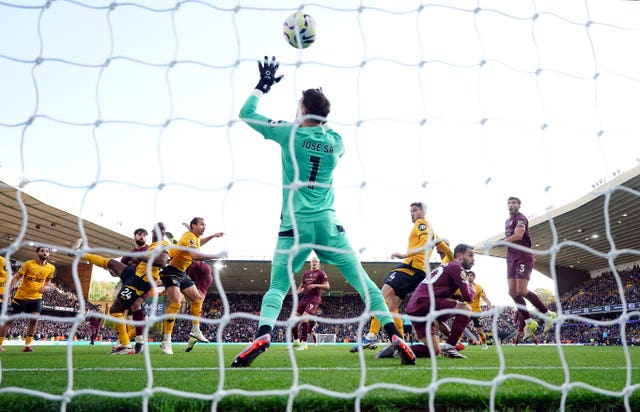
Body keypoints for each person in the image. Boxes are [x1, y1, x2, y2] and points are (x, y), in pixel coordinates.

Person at [231, 56, 416, 367]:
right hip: (329, 226)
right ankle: (394, 336)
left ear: (302, 110)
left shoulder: (289, 132)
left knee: (277, 286)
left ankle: (263, 335)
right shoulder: (335, 140)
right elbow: (325, 128)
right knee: (366, 286)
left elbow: (246, 113)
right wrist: (317, 108)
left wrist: (262, 86)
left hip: (295, 226)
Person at [351, 202, 453, 352]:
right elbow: (448, 251)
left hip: (411, 267)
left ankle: (372, 335)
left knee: (381, 295)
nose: (411, 213)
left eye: (415, 210)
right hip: (419, 272)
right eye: (410, 211)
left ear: (423, 213)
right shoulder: (435, 234)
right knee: (392, 306)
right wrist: (449, 262)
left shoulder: (422, 223)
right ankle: (400, 342)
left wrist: (406, 254)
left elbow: (424, 242)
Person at [73, 223, 169, 354]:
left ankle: (127, 344)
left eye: (161, 229)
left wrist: (142, 257)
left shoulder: (162, 244)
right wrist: (112, 270)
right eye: (156, 229)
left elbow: (162, 262)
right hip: (133, 277)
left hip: (140, 282)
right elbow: (116, 269)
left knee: (119, 309)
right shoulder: (135, 252)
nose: (157, 232)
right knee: (111, 262)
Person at [161, 217, 224, 355]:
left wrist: (213, 236)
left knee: (197, 299)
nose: (204, 227)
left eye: (205, 225)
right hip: (171, 272)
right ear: (193, 226)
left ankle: (195, 330)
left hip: (181, 273)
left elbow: (200, 242)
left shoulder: (194, 238)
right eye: (202, 224)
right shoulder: (189, 236)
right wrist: (216, 255)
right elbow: (195, 256)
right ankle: (166, 340)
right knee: (176, 303)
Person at [404, 244, 476, 359]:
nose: (473, 259)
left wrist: (457, 297)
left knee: (434, 350)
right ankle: (450, 346)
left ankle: (396, 348)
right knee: (466, 309)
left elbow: (439, 290)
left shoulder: (447, 266)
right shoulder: (457, 267)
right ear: (459, 256)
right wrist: (473, 290)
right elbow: (469, 297)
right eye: (470, 255)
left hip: (415, 307)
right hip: (426, 302)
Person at [504, 196, 555, 339]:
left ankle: (547, 314)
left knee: (521, 290)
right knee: (512, 292)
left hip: (523, 257)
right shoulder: (507, 221)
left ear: (519, 205)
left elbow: (518, 236)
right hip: (511, 258)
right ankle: (529, 322)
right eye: (508, 203)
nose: (510, 205)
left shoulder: (521, 218)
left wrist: (499, 243)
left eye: (513, 203)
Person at [0, 247, 56, 352]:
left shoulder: (51, 268)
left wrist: (46, 287)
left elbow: (48, 282)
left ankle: (27, 346)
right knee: (9, 320)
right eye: (42, 251)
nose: (45, 253)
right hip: (21, 297)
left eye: (47, 251)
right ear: (37, 253)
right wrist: (8, 292)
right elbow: (16, 277)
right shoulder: (28, 264)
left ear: (49, 254)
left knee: (34, 320)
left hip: (36, 298)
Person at [121, 227, 150, 354]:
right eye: (139, 234)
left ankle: (139, 341)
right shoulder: (129, 254)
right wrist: (110, 268)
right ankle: (123, 341)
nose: (142, 236)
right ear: (134, 236)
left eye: (144, 235)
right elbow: (120, 267)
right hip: (129, 284)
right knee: (120, 310)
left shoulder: (149, 250)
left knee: (136, 305)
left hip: (144, 283)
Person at [292, 256, 329, 351]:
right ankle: (296, 341)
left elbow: (327, 286)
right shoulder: (306, 274)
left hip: (315, 298)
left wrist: (315, 285)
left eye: (316, 261)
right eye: (313, 261)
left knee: (305, 318)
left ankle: (304, 344)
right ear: (310, 263)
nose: (314, 263)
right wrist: (297, 291)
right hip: (305, 298)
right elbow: (302, 286)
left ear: (318, 263)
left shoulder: (321, 273)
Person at [466, 271, 492, 349]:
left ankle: (484, 343)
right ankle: (455, 344)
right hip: (466, 311)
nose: (469, 277)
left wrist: (490, 308)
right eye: (468, 275)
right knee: (460, 327)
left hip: (476, 312)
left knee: (479, 331)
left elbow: (485, 299)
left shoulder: (478, 287)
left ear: (474, 277)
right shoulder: (463, 286)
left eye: (471, 275)